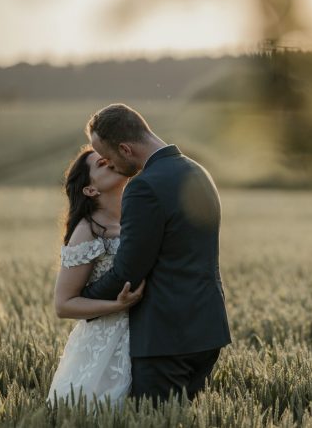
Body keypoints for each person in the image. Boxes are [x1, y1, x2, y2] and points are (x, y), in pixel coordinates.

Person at [81, 103, 231, 402]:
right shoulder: (198, 171)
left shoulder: (144, 187)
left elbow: (128, 272)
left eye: (109, 158)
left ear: (125, 149)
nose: (110, 166)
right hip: (207, 329)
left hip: (165, 337)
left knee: (156, 419)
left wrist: (83, 298)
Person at [46, 147, 146, 407]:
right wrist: (118, 305)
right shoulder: (87, 230)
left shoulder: (136, 219)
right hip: (104, 348)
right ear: (90, 190)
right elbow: (63, 305)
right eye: (102, 163)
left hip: (146, 335)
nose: (111, 162)